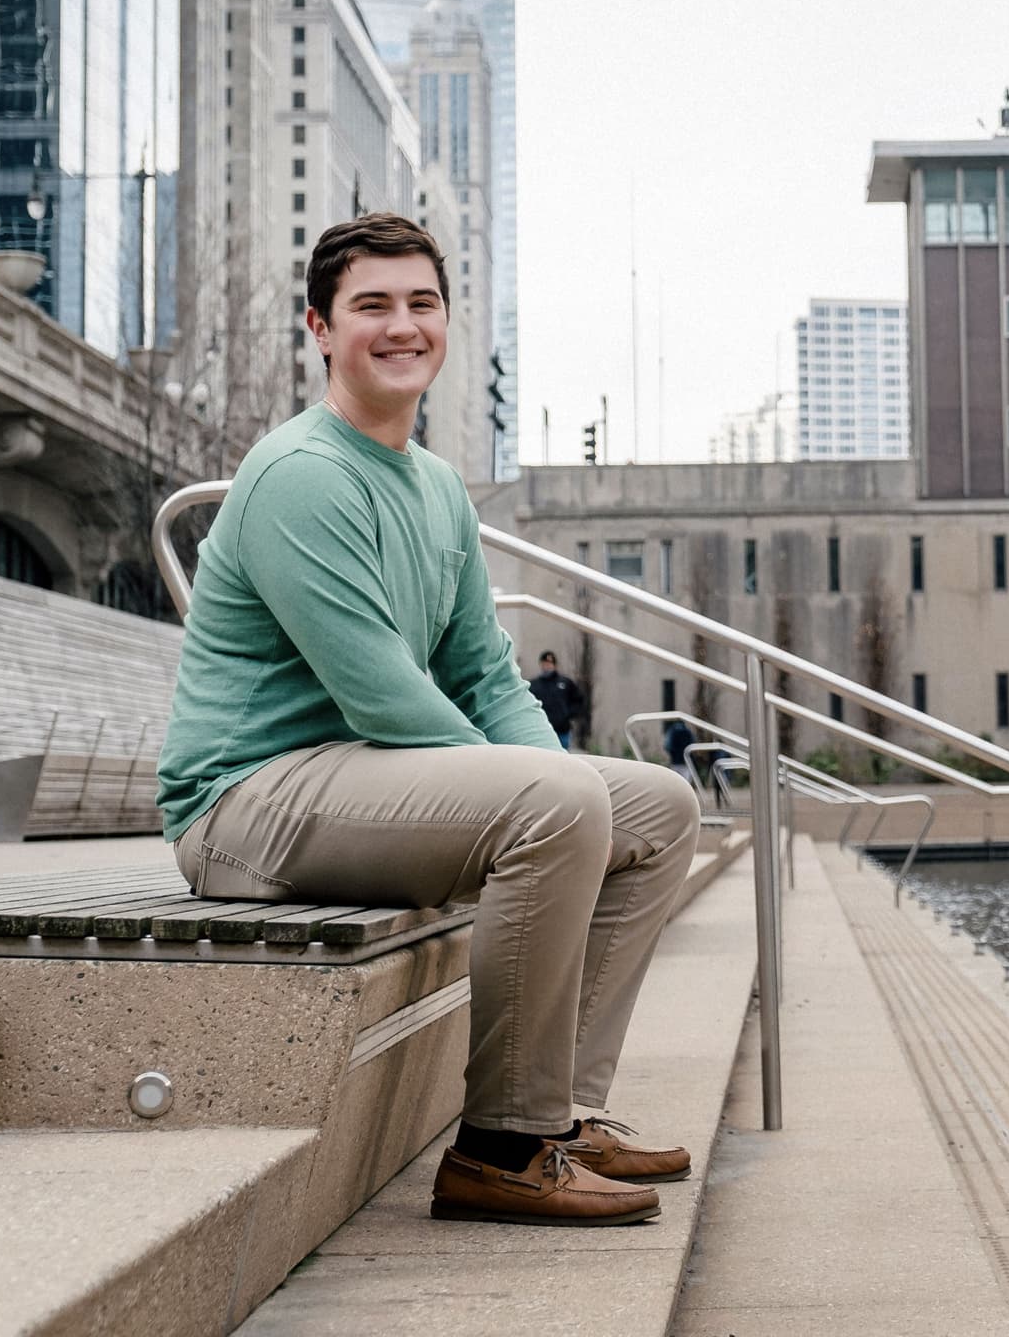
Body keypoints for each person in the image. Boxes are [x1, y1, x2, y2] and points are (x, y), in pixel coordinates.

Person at [156, 213, 701, 1229]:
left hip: (363, 778)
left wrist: (573, 790)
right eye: (371, 307)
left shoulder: (439, 489)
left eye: (421, 304)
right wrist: (554, 800)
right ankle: (500, 1147)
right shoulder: (301, 475)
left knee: (661, 807)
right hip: (249, 801)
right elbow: (383, 698)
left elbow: (486, 678)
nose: (401, 326)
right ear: (319, 329)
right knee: (552, 804)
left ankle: (562, 1114)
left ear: (446, 323)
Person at [529, 651, 588, 750]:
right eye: (545, 664)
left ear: (554, 665)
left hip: (562, 731)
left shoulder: (565, 683)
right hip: (541, 731)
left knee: (562, 757)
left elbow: (579, 701)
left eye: (549, 664)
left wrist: (567, 714)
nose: (547, 666)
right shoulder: (534, 685)